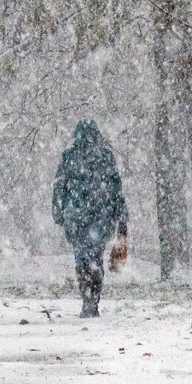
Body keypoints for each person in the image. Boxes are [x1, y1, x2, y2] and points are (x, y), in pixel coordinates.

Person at [51, 120, 128, 318]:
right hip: (100, 220)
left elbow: (59, 187)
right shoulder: (105, 157)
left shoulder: (69, 157)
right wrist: (121, 217)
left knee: (81, 259)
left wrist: (58, 211)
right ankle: (93, 300)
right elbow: (116, 189)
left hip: (76, 220)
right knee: (96, 258)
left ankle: (87, 298)